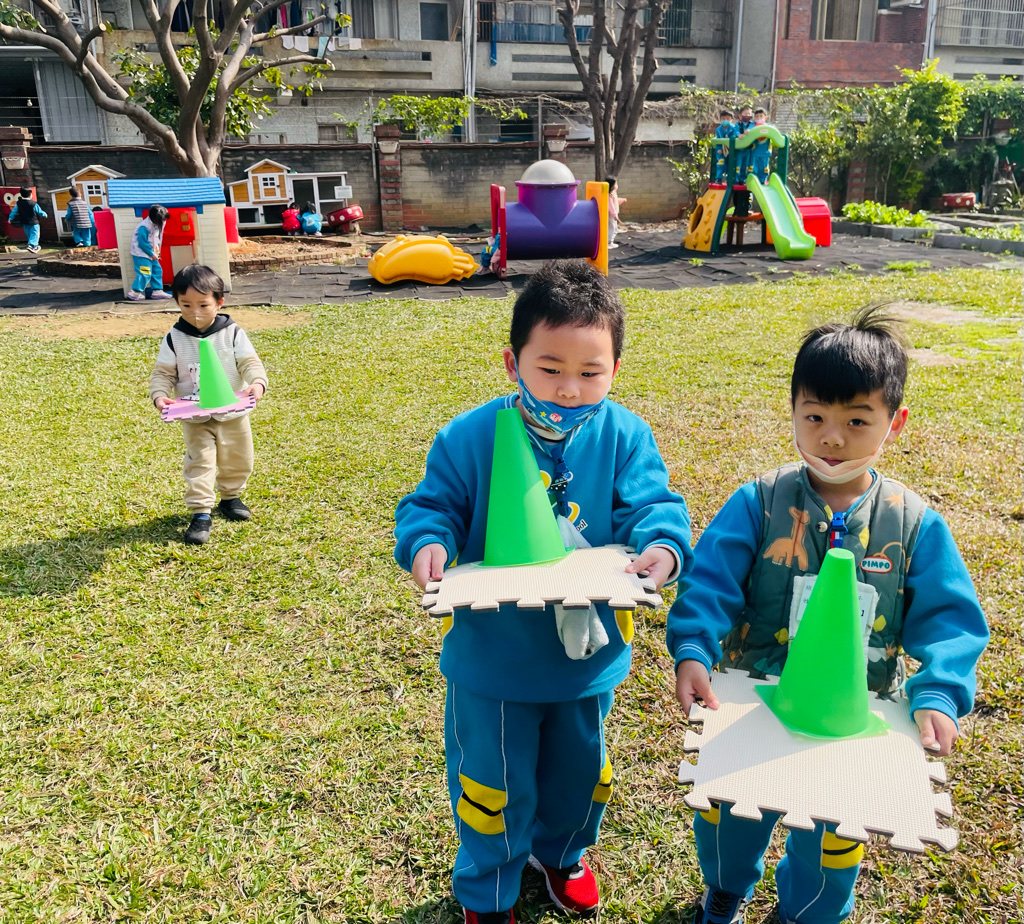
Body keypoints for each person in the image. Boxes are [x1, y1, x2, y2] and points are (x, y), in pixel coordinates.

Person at [667, 306, 989, 924]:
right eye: (814, 417)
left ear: (895, 423)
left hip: (853, 715)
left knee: (833, 842)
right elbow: (709, 583)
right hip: (752, 700)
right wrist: (693, 648)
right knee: (728, 815)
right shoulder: (759, 503)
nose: (832, 438)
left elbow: (951, 618)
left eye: (856, 421)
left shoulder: (913, 523)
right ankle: (726, 889)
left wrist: (940, 691)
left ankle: (807, 913)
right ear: (792, 411)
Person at [394, 261, 693, 924]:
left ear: (616, 368)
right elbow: (431, 505)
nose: (569, 388)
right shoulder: (470, 436)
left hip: (586, 659)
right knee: (491, 784)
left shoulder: (624, 435)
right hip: (493, 660)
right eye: (550, 367)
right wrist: (427, 541)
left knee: (579, 775)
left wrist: (663, 545)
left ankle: (562, 855)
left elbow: (654, 504)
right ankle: (488, 889)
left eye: (591, 372)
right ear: (512, 362)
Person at [149, 265, 269, 546]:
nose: (195, 312)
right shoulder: (175, 337)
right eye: (186, 305)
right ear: (177, 302)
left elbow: (249, 363)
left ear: (219, 302)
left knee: (238, 457)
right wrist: (159, 395)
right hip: (195, 418)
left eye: (203, 305)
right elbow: (163, 373)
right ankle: (201, 512)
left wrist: (257, 383)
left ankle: (230, 496)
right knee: (200, 461)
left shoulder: (232, 333)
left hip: (233, 413)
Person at [128, 204, 171, 301]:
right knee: (145, 273)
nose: (164, 221)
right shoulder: (144, 226)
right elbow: (142, 242)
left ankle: (157, 290)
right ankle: (135, 292)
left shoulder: (155, 225)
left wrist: (156, 252)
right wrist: (151, 253)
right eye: (163, 219)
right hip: (141, 254)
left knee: (157, 270)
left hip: (151, 253)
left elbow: (155, 240)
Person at [10, 186, 47, 254]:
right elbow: (40, 211)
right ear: (30, 194)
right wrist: (45, 214)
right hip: (34, 222)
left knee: (29, 235)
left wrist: (10, 218)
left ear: (21, 195)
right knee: (35, 234)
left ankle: (35, 247)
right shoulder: (33, 203)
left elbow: (14, 211)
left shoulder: (19, 203)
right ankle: (31, 245)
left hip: (25, 222)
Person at [748, 107, 772, 185]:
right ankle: (753, 179)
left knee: (764, 167)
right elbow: (749, 130)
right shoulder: (752, 125)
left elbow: (774, 131)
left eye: (761, 116)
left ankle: (762, 180)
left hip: (765, 152)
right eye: (756, 116)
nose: (758, 118)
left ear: (765, 117)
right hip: (754, 152)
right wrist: (747, 131)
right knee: (753, 167)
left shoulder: (768, 126)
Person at [712, 110, 737, 185]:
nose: (725, 120)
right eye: (723, 119)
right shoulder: (718, 129)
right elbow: (718, 140)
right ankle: (718, 178)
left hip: (731, 149)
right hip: (721, 149)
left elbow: (735, 137)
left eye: (727, 119)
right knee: (720, 163)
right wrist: (719, 149)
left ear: (731, 120)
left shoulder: (734, 128)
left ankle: (729, 179)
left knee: (730, 164)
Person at [606, 176, 627, 249]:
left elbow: (615, 201)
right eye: (615, 184)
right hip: (611, 215)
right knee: (613, 228)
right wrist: (614, 215)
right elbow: (610, 206)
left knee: (613, 228)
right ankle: (609, 242)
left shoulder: (613, 193)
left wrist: (622, 200)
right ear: (612, 185)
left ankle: (609, 242)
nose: (617, 186)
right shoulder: (609, 195)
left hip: (613, 214)